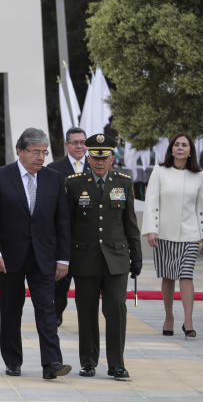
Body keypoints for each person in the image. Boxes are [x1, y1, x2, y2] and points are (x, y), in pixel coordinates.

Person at [0, 127, 71, 379]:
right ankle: (13, 360)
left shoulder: (54, 179)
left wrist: (63, 258)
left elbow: (62, 221)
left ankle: (52, 363)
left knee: (47, 309)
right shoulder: (1, 176)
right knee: (11, 310)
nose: (41, 157)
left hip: (44, 256)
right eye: (35, 152)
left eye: (44, 152)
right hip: (9, 257)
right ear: (20, 151)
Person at [66, 133, 142, 379]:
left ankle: (116, 364)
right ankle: (88, 361)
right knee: (86, 312)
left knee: (116, 311)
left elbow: (130, 223)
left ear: (112, 159)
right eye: (95, 158)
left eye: (104, 158)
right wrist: (64, 258)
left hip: (116, 259)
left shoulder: (124, 182)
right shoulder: (74, 183)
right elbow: (67, 224)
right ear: (88, 157)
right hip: (85, 258)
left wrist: (136, 257)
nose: (99, 162)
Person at [141, 132, 203, 339]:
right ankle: (169, 317)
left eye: (184, 145)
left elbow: (202, 207)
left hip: (190, 234)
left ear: (190, 152)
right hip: (164, 234)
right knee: (169, 276)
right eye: (176, 144)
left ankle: (188, 322)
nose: (180, 148)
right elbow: (151, 202)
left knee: (186, 275)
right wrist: (151, 229)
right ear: (171, 149)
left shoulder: (198, 175)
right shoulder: (160, 171)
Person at [46, 127, 87, 328]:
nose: (80, 146)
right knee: (60, 284)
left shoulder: (95, 166)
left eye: (82, 142)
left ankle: (86, 319)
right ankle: (56, 314)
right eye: (75, 142)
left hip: (88, 238)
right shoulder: (54, 169)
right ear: (67, 145)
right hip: (63, 237)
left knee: (87, 285)